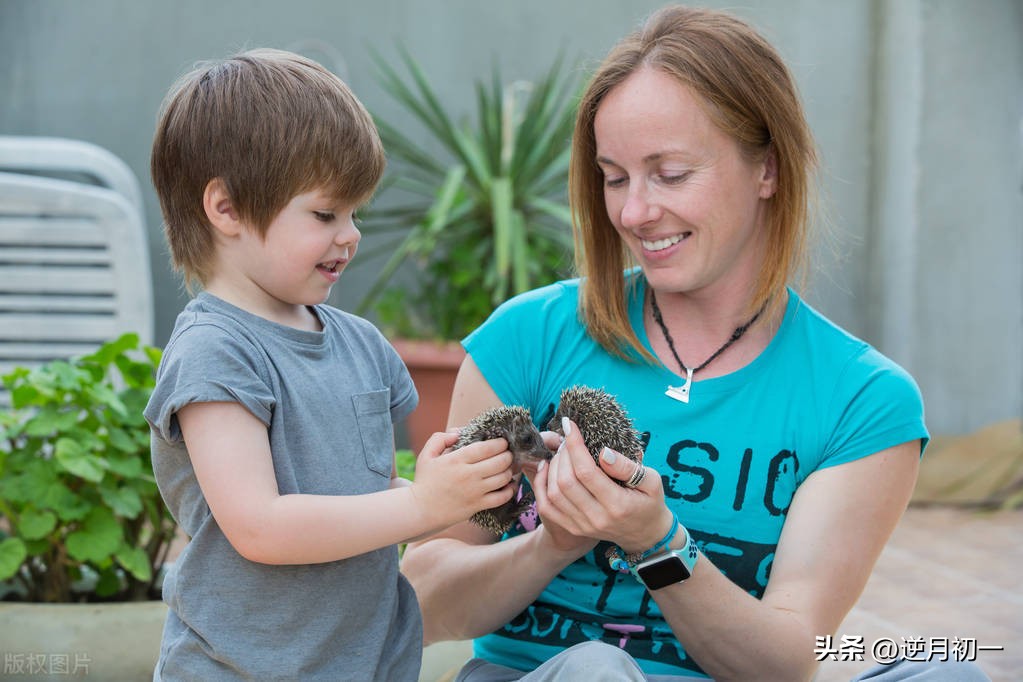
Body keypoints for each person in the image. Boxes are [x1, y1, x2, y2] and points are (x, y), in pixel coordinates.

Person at [401, 6, 990, 682]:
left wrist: (656, 544)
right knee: (596, 670)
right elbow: (422, 603)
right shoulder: (527, 339)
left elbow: (789, 659)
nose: (631, 212)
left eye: (670, 173)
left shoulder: (862, 401)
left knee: (953, 672)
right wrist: (552, 543)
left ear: (765, 169)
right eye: (614, 176)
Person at [144, 48, 516, 681]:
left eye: (354, 213)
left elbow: (362, 499)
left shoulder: (361, 343)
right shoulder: (215, 351)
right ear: (226, 208)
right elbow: (260, 526)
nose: (351, 235)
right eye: (324, 214)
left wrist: (459, 493)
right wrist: (422, 507)